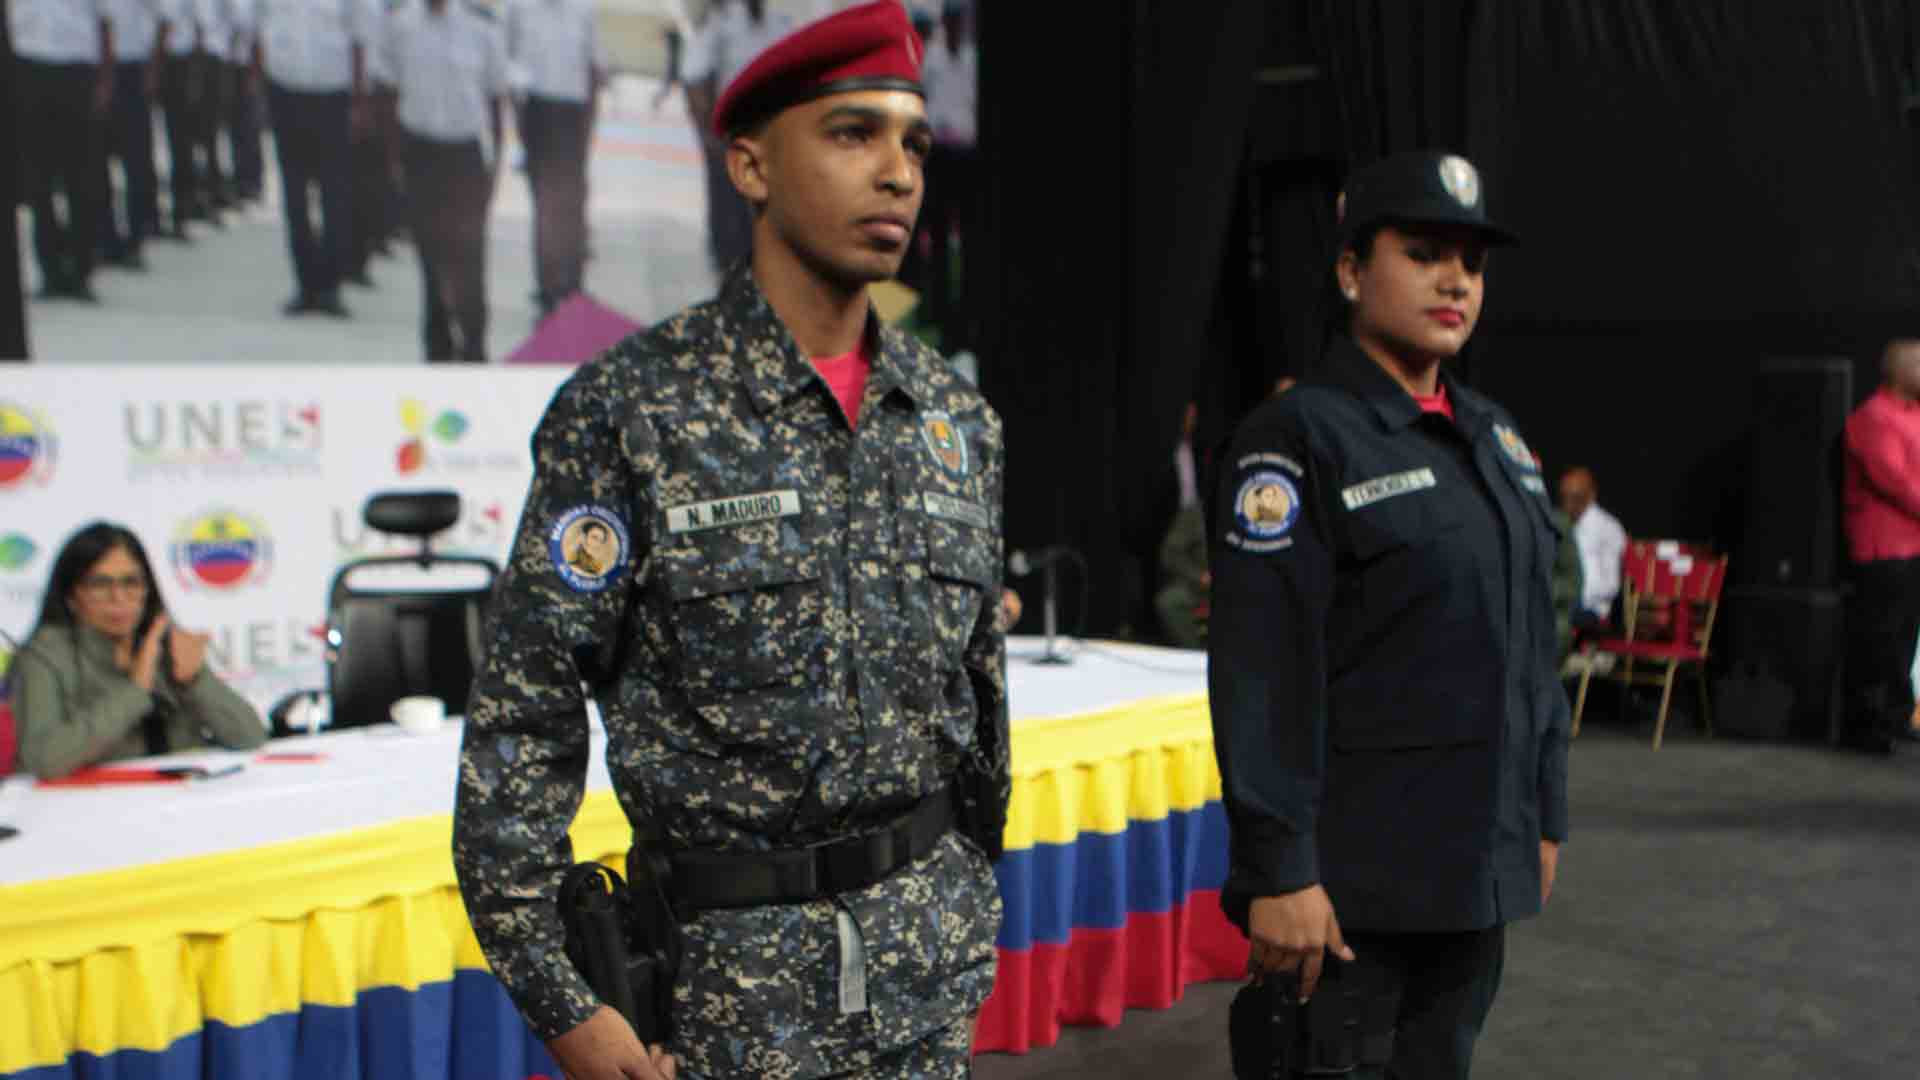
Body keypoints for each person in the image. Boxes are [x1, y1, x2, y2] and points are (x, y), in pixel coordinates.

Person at [453, 5, 1008, 1078]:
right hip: (724, 1008)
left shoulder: (954, 420)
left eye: (914, 143)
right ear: (750, 166)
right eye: (852, 134)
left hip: (927, 977)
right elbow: (523, 723)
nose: (897, 172)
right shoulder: (632, 412)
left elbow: (978, 704)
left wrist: (967, 893)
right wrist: (563, 999)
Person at [1208, 151, 1567, 1080]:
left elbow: (1534, 643)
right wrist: (1281, 868)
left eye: (1473, 263)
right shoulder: (1298, 437)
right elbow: (1262, 667)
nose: (1456, 280)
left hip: (1471, 879)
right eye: (1423, 252)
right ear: (1350, 270)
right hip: (1350, 900)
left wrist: (1546, 812)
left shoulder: (1495, 438)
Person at [8, 522, 265, 781]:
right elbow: (43, 760)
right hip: (90, 811)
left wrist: (196, 680)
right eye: (100, 584)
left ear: (147, 590)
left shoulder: (164, 641)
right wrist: (135, 691)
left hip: (182, 805)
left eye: (132, 582)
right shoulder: (42, 658)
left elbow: (251, 737)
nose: (119, 597)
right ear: (71, 596)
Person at [378, 0, 509, 363]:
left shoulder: (481, 28)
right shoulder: (400, 23)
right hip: (420, 154)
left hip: (464, 157)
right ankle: (437, 347)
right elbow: (387, 90)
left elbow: (496, 99)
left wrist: (495, 163)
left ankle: (474, 345)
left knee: (470, 255)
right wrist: (393, 160)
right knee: (429, 255)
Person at [254, 0, 370, 318]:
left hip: (332, 95)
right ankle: (305, 286)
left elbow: (360, 38)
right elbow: (259, 30)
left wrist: (359, 101)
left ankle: (330, 286)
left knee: (334, 194)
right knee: (294, 194)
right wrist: (260, 88)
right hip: (284, 92)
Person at [1840, 340, 1920, 754]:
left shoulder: (1914, 416)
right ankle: (1865, 724)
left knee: (1905, 637)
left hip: (1913, 547)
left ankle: (1894, 715)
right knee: (1878, 639)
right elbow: (1896, 483)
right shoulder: (1874, 417)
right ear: (1900, 371)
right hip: (1882, 548)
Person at [505, 0, 606, 316]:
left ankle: (572, 282)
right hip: (535, 110)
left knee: (571, 202)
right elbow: (506, 64)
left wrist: (588, 124)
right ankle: (547, 284)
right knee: (543, 202)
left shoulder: (584, 9)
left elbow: (593, 68)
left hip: (572, 113)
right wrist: (519, 119)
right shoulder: (517, 8)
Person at [11, 0, 114, 302]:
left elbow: (106, 21)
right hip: (29, 66)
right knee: (37, 178)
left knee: (80, 176)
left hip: (75, 69)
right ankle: (50, 271)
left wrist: (105, 81)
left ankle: (81, 271)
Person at [99, 0, 170, 272]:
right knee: (95, 159)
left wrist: (153, 69)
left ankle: (135, 239)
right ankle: (104, 238)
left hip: (132, 67)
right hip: (94, 64)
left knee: (136, 158)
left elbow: (164, 16)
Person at [1558, 465, 1625, 632]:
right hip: (1560, 599)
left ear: (1591, 495)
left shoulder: (1608, 528)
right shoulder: (1559, 523)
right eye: (1564, 496)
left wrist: (1572, 593)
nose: (1568, 503)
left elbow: (1611, 584)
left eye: (1575, 497)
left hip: (1590, 606)